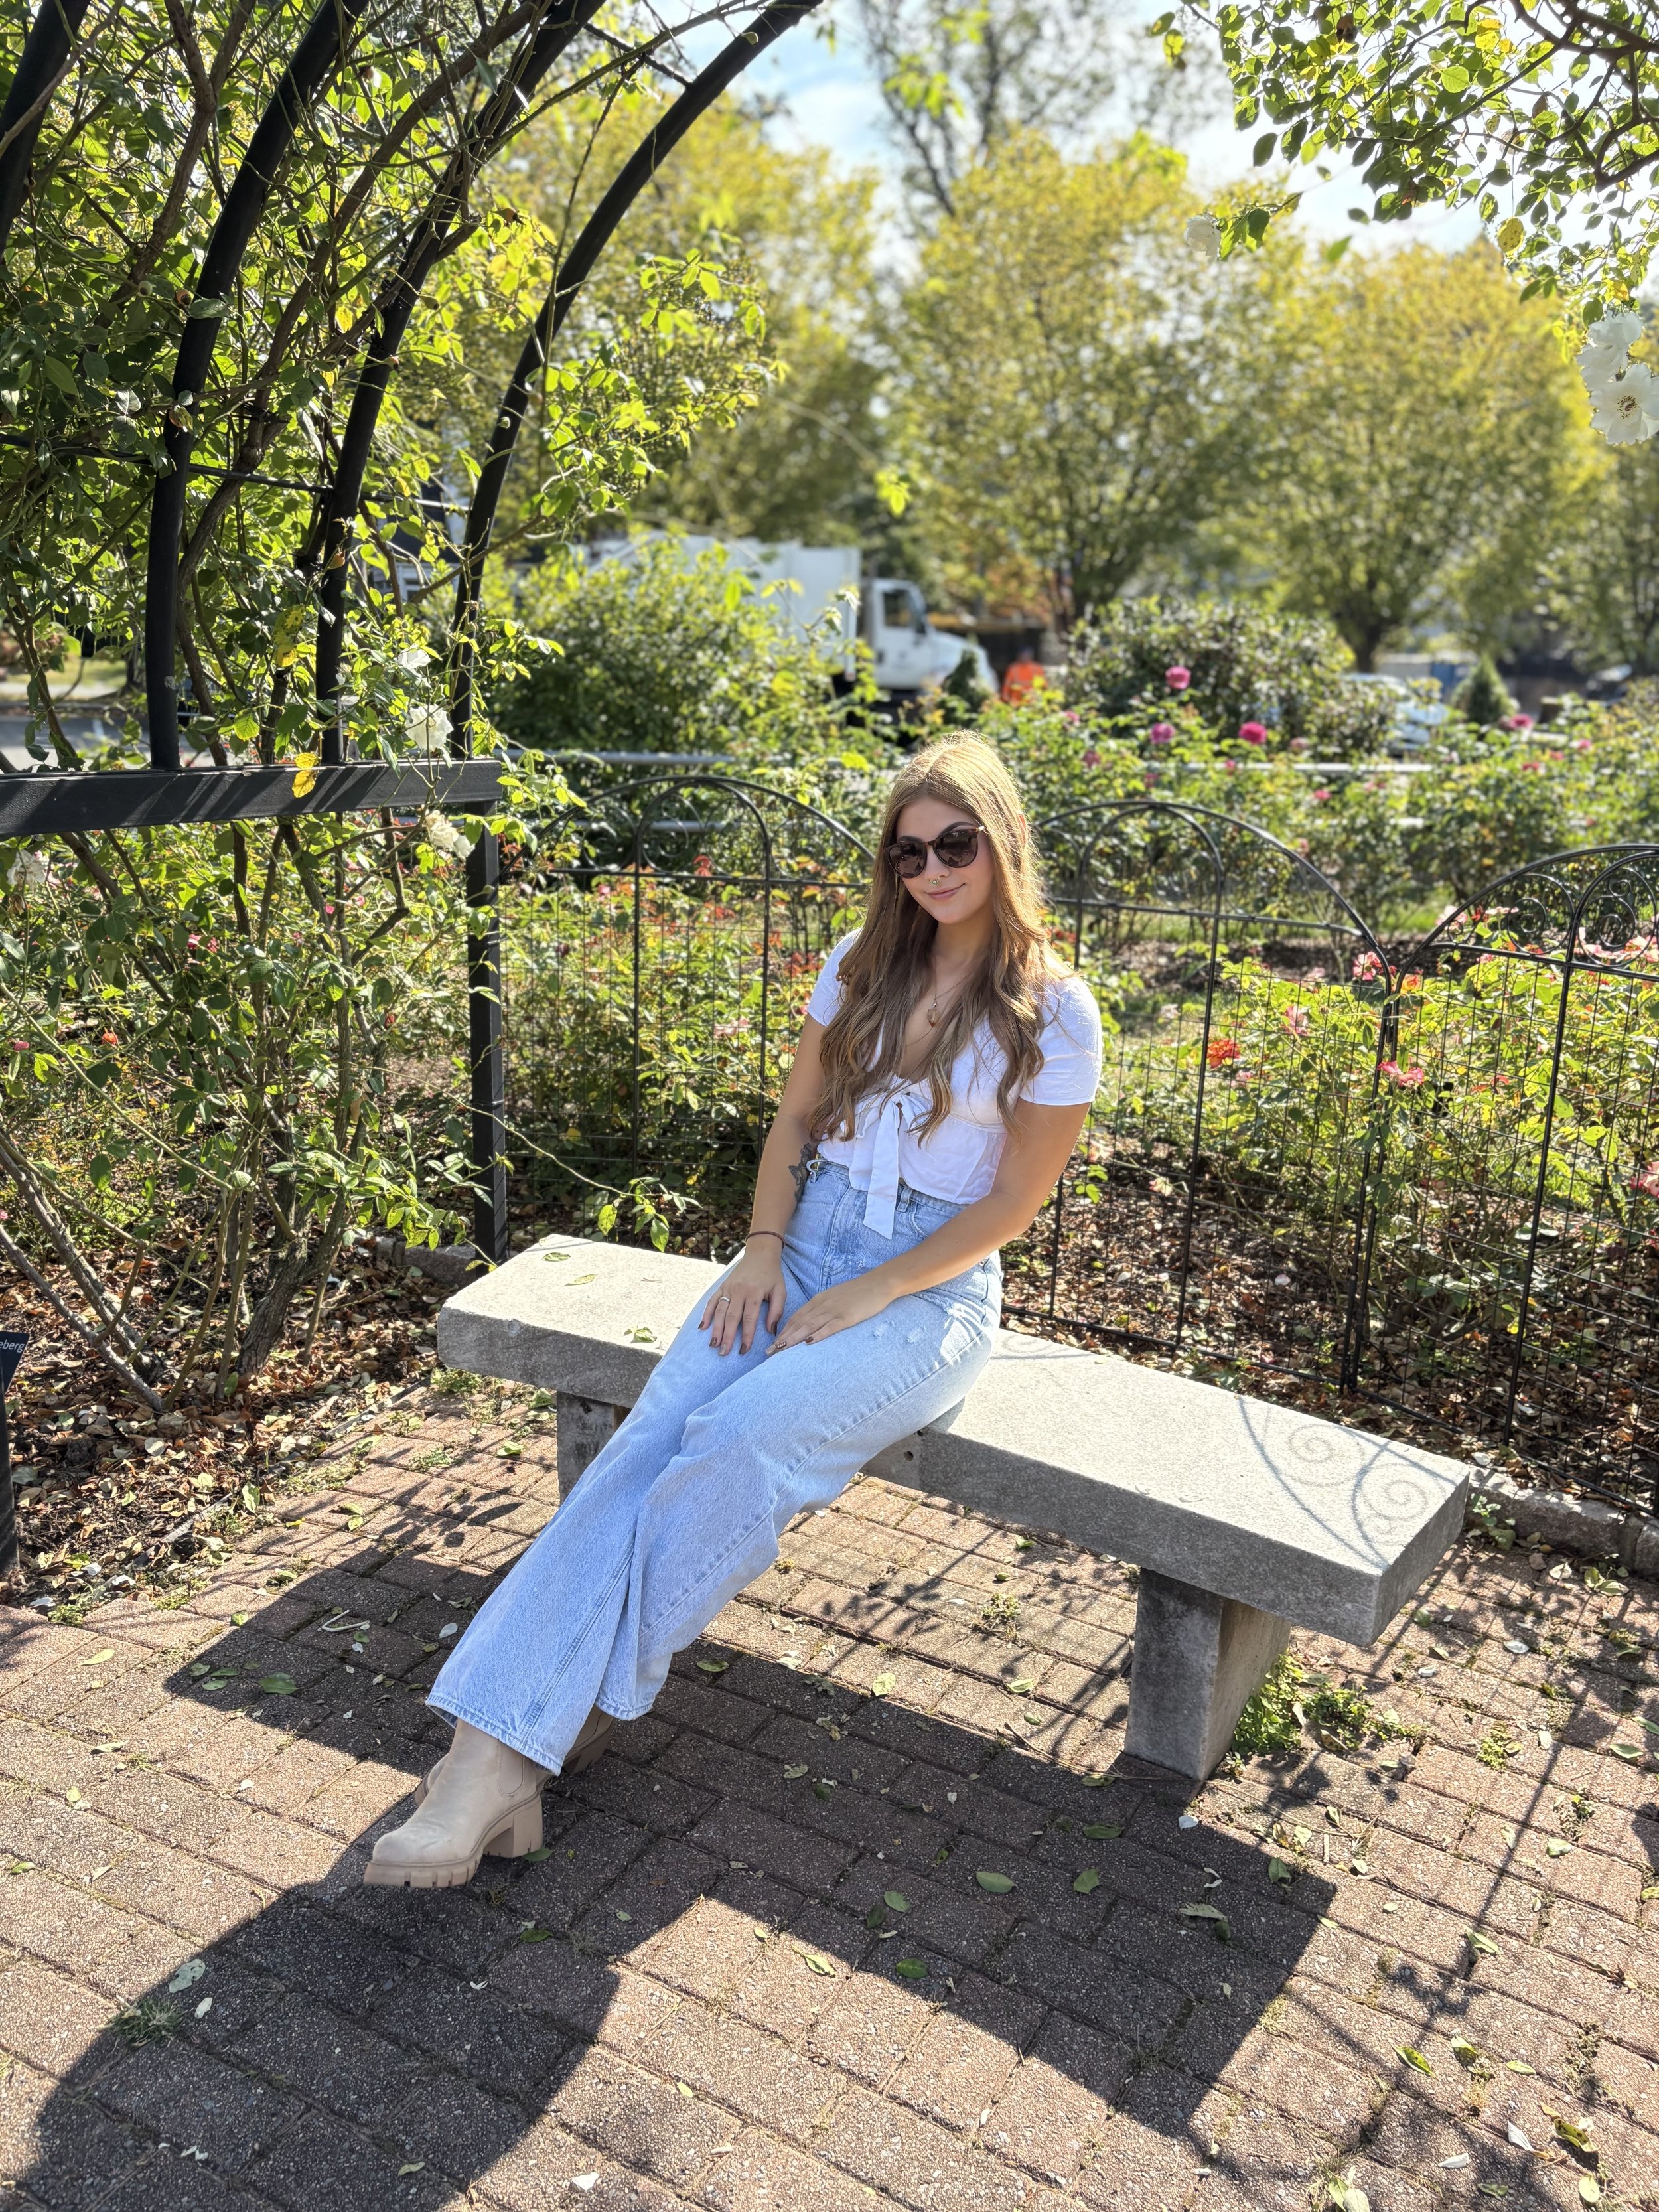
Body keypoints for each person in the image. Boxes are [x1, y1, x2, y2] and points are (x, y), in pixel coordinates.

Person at [364, 733, 1103, 1889]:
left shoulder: (1056, 1012)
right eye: (909, 851)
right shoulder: (863, 962)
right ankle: (486, 1763)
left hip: (928, 1292)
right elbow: (794, 1128)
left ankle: (515, 1741)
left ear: (1000, 840)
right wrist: (763, 1250)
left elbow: (1010, 1205)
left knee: (741, 1440)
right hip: (797, 1251)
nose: (932, 868)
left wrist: (872, 1285)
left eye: (955, 843)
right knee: (645, 1448)